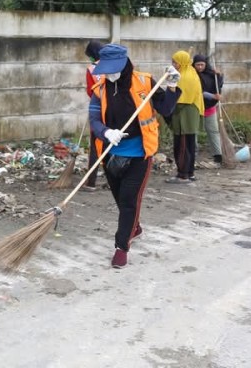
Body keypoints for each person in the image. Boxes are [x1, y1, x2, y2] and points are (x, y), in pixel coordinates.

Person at [89, 44, 180, 268]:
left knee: (129, 200)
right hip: (110, 154)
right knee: (121, 200)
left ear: (124, 64)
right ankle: (134, 228)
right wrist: (106, 132)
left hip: (140, 153)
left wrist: (172, 86)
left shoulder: (146, 82)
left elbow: (166, 109)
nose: (109, 75)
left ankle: (121, 247)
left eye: (112, 70)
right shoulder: (100, 89)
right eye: (105, 70)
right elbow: (94, 121)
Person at [166, 50, 204, 184]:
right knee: (189, 145)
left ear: (182, 62)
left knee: (182, 146)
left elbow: (176, 98)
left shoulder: (184, 77)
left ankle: (182, 175)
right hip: (189, 115)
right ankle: (189, 173)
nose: (173, 64)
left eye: (175, 62)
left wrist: (170, 80)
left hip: (184, 116)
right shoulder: (191, 72)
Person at [193, 54, 224, 164]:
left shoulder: (211, 74)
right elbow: (197, 92)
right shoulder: (192, 75)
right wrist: (212, 96)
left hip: (209, 107)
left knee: (213, 131)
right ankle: (193, 156)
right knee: (193, 132)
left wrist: (219, 76)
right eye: (198, 65)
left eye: (202, 64)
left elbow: (218, 86)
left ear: (206, 64)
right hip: (195, 107)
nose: (200, 67)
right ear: (194, 65)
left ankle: (218, 155)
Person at [83, 40, 106, 192]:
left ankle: (91, 182)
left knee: (95, 147)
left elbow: (91, 91)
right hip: (114, 110)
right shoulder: (114, 65)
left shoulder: (91, 69)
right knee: (111, 145)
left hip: (98, 110)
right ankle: (113, 181)